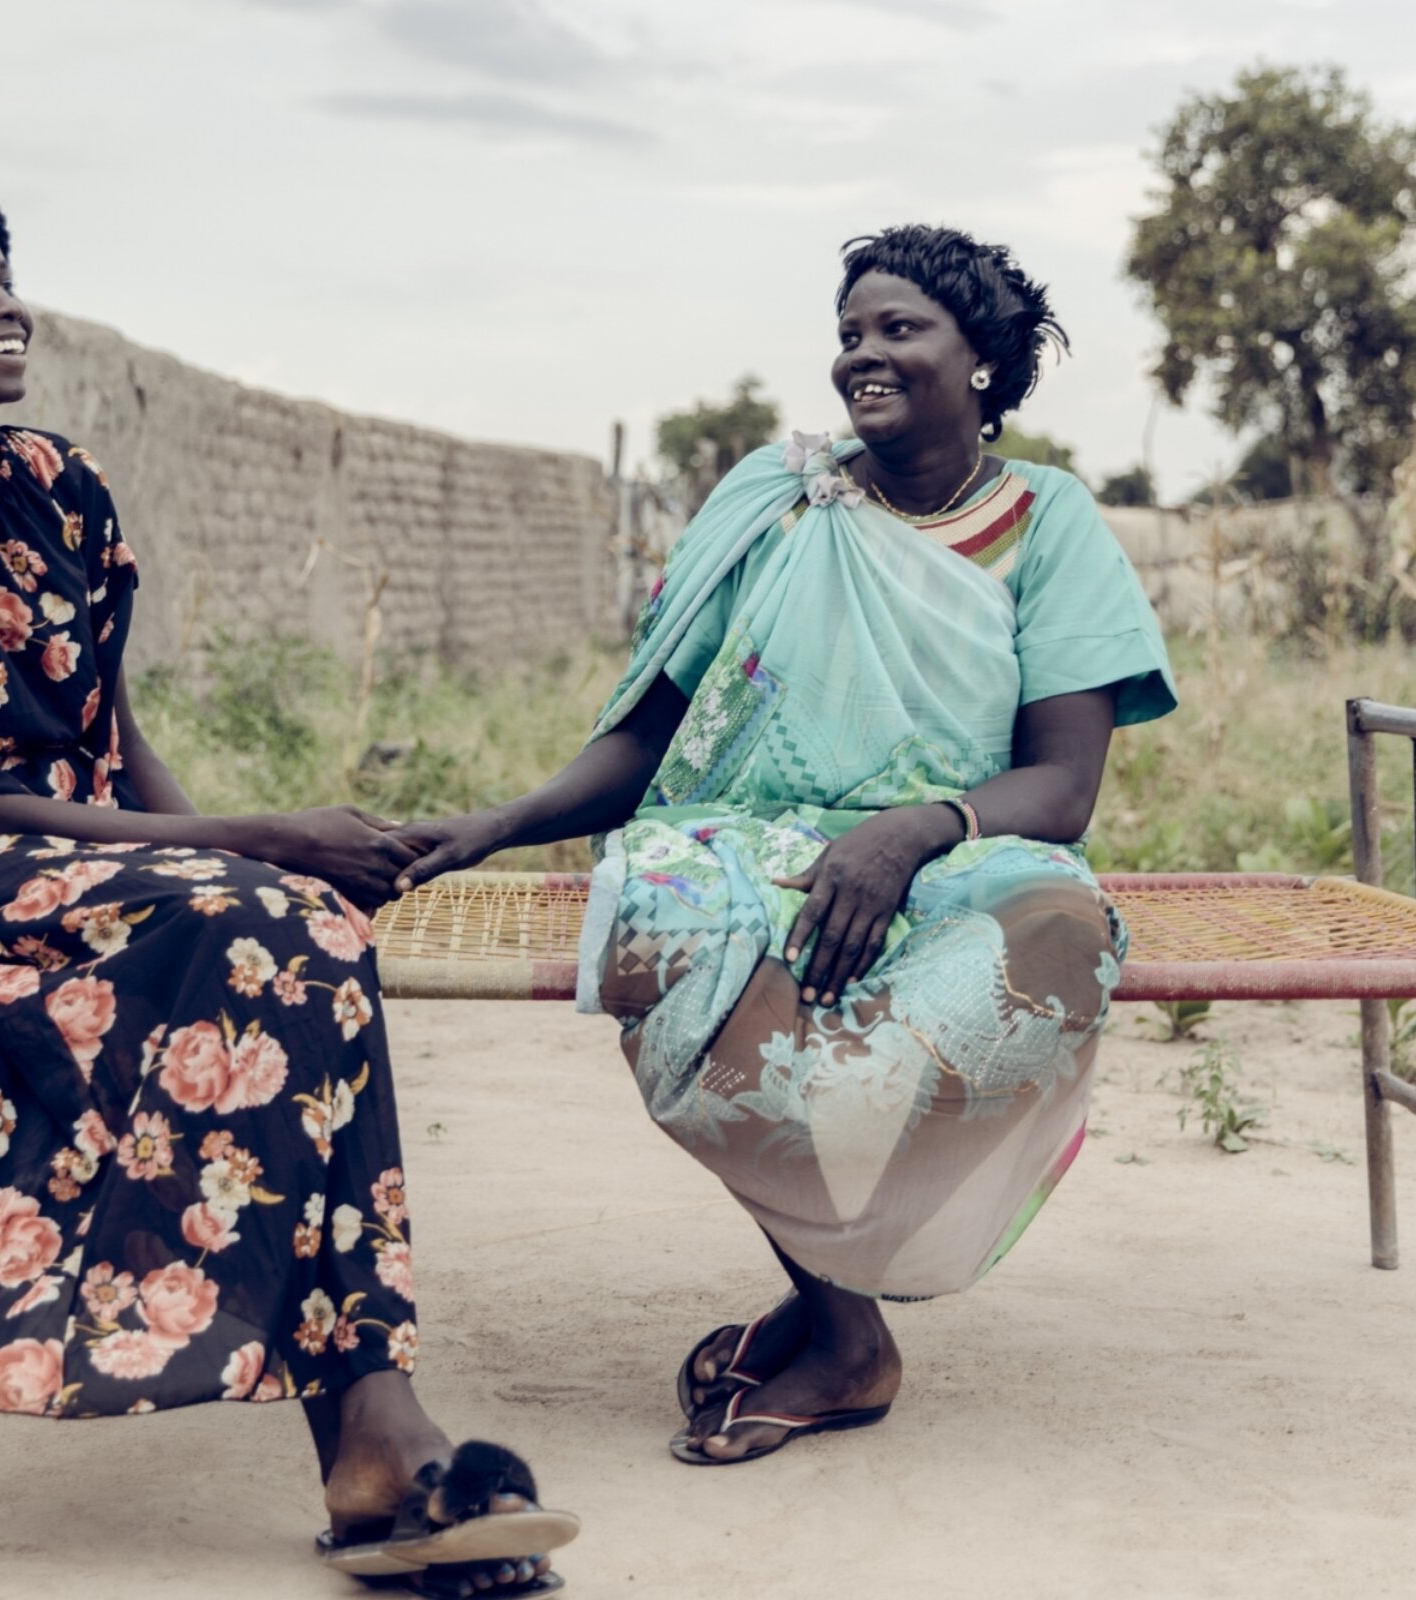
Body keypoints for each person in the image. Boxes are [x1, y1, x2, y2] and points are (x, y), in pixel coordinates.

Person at [0, 174, 570, 1594]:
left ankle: (374, 1435)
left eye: (5, 276)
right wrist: (257, 843)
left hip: (94, 850)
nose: (8, 306)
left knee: (295, 927)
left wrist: (241, 852)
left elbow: (111, 724)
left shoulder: (57, 484)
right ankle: (375, 1436)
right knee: (262, 914)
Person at [394, 224, 1176, 1465]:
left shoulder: (1049, 520)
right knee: (669, 926)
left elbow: (1064, 783)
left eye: (899, 328)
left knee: (1051, 940)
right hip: (740, 845)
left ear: (982, 360)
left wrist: (909, 834)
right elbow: (651, 734)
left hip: (959, 846)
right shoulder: (773, 499)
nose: (864, 353)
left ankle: (833, 1304)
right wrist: (498, 826)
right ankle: (844, 1328)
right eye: (850, 333)